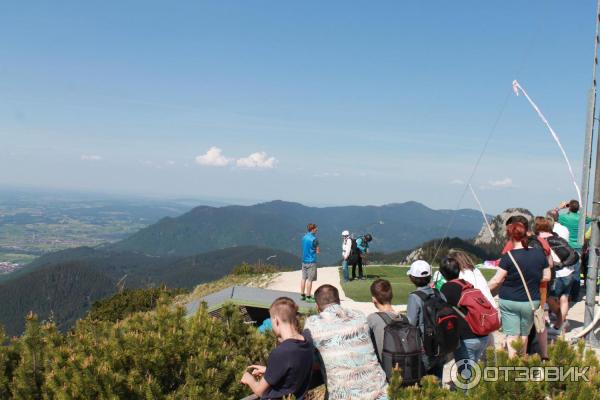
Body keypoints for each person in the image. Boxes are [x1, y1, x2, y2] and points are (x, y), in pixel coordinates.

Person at [304, 284, 388, 400]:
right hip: (381, 393)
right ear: (339, 301)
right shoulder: (359, 315)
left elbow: (310, 359)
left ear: (317, 306)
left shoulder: (312, 324)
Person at [488, 222, 551, 358]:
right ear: (526, 234)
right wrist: (533, 279)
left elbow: (496, 280)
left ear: (510, 236)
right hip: (531, 301)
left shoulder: (508, 257)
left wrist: (482, 290)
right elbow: (547, 276)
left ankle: (513, 362)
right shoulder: (539, 254)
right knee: (524, 334)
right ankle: (522, 360)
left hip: (509, 300)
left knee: (512, 334)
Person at [241, 297, 314, 400]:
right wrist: (268, 371)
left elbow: (260, 391)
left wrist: (249, 379)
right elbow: (293, 370)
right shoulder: (307, 341)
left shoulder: (281, 352)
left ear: (276, 321)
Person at [439, 256, 489, 363]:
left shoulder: (446, 288)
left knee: (467, 374)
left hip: (466, 338)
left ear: (443, 274)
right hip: (483, 335)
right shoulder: (468, 285)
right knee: (475, 369)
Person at [535, 216, 578, 334]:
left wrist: (559, 265)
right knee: (564, 299)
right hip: (568, 272)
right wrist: (564, 264)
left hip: (556, 274)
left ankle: (557, 321)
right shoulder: (557, 238)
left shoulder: (540, 240)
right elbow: (574, 255)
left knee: (548, 299)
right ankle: (559, 326)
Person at [406, 260, 445, 380]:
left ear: (412, 278)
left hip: (425, 345)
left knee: (423, 380)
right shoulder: (439, 293)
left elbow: (411, 324)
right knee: (437, 379)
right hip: (441, 343)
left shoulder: (414, 297)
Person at [556, 200, 590, 301]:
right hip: (578, 247)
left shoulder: (564, 217)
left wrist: (560, 207)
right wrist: (580, 209)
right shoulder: (581, 218)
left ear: (569, 207)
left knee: (564, 269)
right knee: (576, 271)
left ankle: (564, 293)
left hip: (566, 247)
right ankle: (574, 296)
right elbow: (590, 219)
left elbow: (552, 216)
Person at [367, 279, 400, 362]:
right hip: (406, 367)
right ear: (391, 296)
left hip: (385, 368)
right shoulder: (405, 319)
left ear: (373, 299)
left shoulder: (372, 319)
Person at [301, 223, 320, 303]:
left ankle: (302, 295)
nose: (317, 229)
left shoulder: (304, 237)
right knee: (309, 280)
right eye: (316, 228)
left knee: (303, 278)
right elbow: (318, 251)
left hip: (304, 260)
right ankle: (308, 296)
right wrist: (317, 249)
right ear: (313, 229)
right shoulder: (314, 239)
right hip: (311, 261)